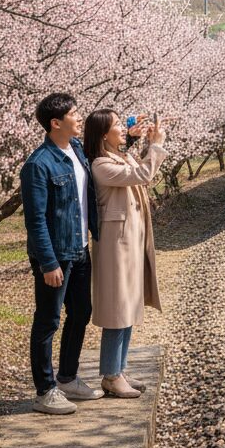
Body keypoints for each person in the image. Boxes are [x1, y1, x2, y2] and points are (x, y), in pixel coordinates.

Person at [20, 93, 102, 414]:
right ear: (56, 123)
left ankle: (68, 377)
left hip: (80, 249)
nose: (79, 117)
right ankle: (45, 390)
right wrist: (47, 262)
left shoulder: (77, 150)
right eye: (73, 113)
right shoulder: (38, 165)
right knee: (48, 321)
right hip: (56, 255)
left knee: (81, 312)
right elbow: (35, 219)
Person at [82, 109, 166, 398]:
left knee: (129, 307)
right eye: (117, 125)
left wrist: (134, 141)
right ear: (103, 134)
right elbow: (142, 174)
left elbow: (134, 164)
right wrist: (155, 146)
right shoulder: (101, 165)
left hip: (128, 243)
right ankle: (110, 375)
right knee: (118, 311)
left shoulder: (115, 156)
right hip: (115, 247)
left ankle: (119, 369)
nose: (122, 127)